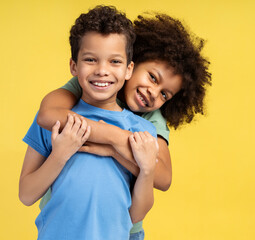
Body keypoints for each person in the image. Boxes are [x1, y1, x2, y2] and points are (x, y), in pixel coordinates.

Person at [37, 12, 212, 240]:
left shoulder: (150, 118)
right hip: (65, 224)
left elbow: (162, 177)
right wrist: (115, 137)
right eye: (152, 77)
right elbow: (48, 115)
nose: (153, 93)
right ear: (132, 63)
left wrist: (114, 145)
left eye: (165, 94)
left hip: (122, 229)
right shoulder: (94, 83)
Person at [19, 5, 159, 239]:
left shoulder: (142, 131)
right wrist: (60, 154)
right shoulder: (56, 120)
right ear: (74, 66)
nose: (102, 70)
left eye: (114, 62)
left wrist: (146, 171)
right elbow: (26, 194)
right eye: (91, 60)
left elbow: (135, 216)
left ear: (128, 69)